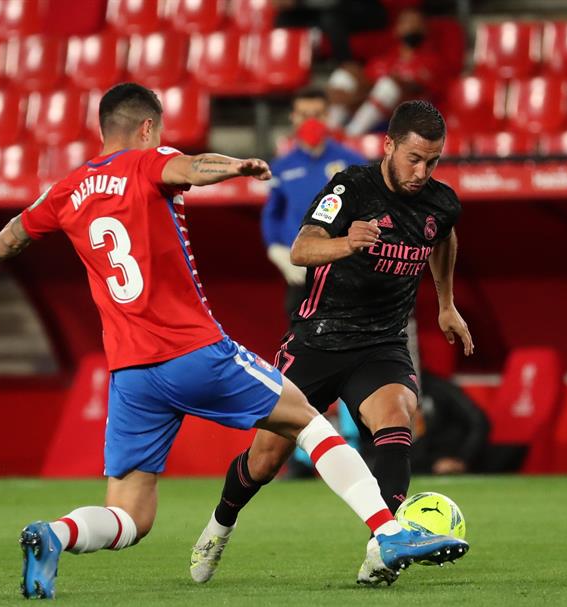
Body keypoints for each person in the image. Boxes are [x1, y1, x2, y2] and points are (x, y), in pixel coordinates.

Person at [0, 83, 467, 599]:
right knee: (309, 423)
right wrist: (237, 167)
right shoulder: (146, 161)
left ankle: (55, 533)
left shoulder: (67, 189)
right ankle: (388, 532)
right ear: (146, 129)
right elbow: (190, 168)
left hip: (131, 374)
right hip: (192, 351)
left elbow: (19, 231)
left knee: (130, 516)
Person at [191, 99, 474, 587]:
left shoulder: (440, 202)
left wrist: (446, 304)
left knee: (396, 415)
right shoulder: (351, 187)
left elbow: (443, 238)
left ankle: (380, 550)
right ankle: (219, 525)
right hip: (319, 339)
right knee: (264, 460)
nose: (421, 171)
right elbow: (302, 248)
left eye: (432, 161)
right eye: (414, 158)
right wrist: (347, 243)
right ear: (388, 145)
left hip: (381, 343)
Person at [263, 88, 367, 323]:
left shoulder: (352, 162)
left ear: (327, 116)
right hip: (301, 272)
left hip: (346, 270)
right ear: (293, 117)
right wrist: (276, 250)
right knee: (302, 341)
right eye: (303, 114)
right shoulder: (281, 166)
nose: (310, 121)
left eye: (317, 114)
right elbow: (272, 213)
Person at [327, 8, 464, 136]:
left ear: (425, 29)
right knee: (343, 78)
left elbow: (419, 93)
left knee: (388, 87)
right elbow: (367, 86)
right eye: (407, 22)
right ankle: (331, 132)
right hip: (378, 119)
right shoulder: (384, 61)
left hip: (413, 122)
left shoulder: (433, 61)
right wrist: (355, 96)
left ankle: (351, 136)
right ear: (396, 30)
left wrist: (358, 98)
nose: (412, 27)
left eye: (416, 23)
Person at [411, 370, 491, 475]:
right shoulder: (391, 392)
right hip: (413, 467)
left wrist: (461, 459)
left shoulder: (438, 388)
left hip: (443, 463)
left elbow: (478, 422)